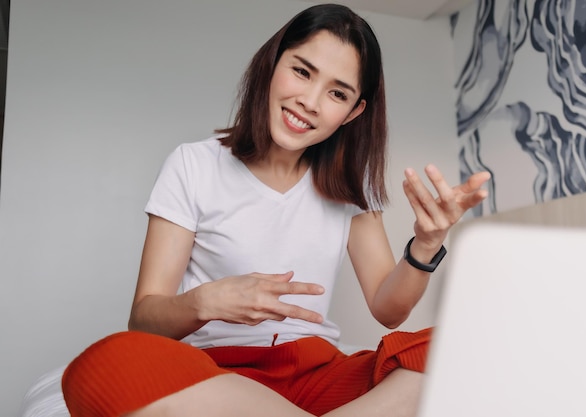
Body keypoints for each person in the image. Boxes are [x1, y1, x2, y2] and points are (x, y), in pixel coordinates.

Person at [61, 3, 490, 417]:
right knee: (103, 363)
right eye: (302, 72)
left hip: (318, 374)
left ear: (353, 113)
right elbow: (145, 322)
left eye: (337, 93)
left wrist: (426, 244)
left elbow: (388, 310)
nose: (310, 101)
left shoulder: (347, 186)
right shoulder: (193, 164)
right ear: (272, 62)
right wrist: (206, 301)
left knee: (468, 345)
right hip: (217, 378)